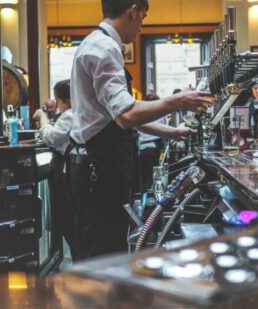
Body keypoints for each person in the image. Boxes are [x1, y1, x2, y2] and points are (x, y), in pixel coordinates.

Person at [67, 0, 212, 260]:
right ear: (132, 11)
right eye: (143, 18)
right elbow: (126, 115)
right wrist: (178, 100)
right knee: (104, 255)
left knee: (105, 249)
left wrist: (171, 132)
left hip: (97, 166)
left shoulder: (98, 43)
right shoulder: (104, 47)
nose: (141, 27)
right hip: (97, 170)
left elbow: (119, 114)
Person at [32, 79, 77, 259]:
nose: (56, 104)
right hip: (70, 170)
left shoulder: (69, 115)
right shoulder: (80, 113)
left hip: (65, 172)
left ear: (64, 100)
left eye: (57, 100)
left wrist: (43, 120)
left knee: (65, 217)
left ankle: (72, 259)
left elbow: (52, 138)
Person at [138, 93, 166, 192]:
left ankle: (144, 196)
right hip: (155, 145)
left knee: (143, 176)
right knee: (154, 175)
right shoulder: (159, 114)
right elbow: (163, 131)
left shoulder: (140, 114)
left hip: (141, 147)